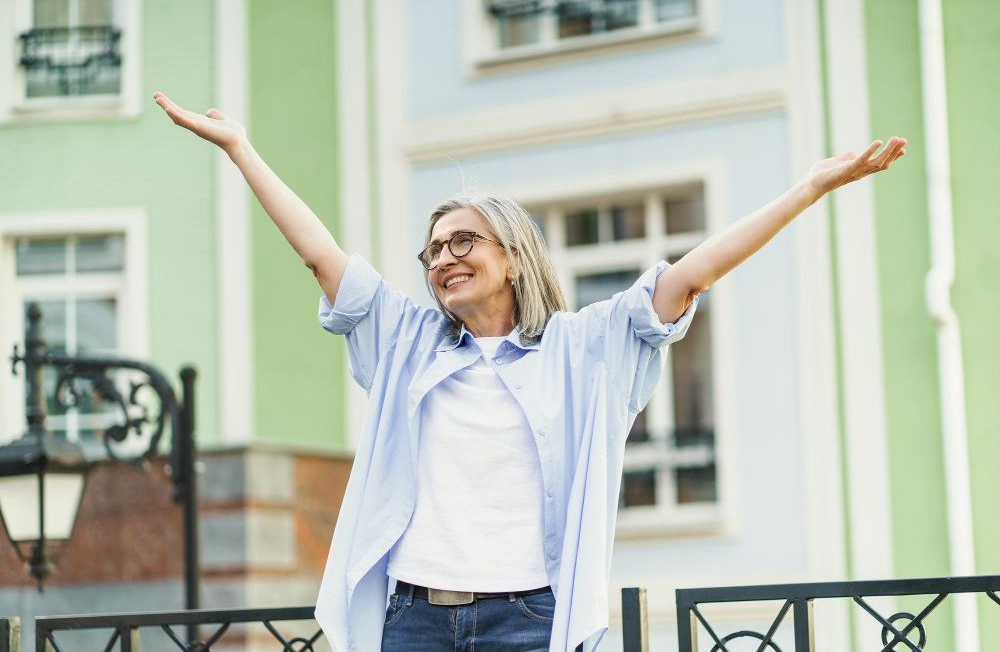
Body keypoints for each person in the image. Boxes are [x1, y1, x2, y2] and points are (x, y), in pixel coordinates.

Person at [153, 91, 906, 652]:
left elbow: (692, 274)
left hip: (532, 620)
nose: (443, 258)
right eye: (433, 250)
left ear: (511, 255)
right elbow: (320, 255)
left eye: (462, 241)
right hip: (413, 619)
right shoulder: (408, 341)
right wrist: (240, 148)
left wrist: (808, 189)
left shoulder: (586, 348)